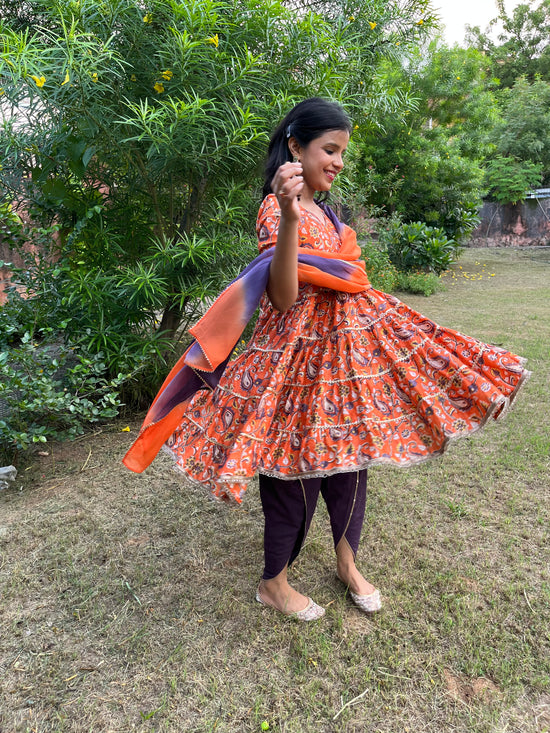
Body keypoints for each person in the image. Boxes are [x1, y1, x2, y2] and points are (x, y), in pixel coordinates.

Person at [123, 98, 530, 622]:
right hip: (298, 367)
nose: (337, 161)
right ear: (295, 146)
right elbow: (285, 296)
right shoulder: (279, 208)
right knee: (294, 473)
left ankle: (346, 560)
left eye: (342, 152)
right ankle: (274, 582)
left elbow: (348, 278)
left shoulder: (330, 212)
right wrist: (290, 216)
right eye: (329, 149)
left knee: (350, 465)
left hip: (346, 366)